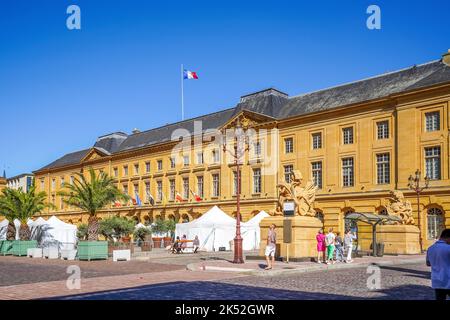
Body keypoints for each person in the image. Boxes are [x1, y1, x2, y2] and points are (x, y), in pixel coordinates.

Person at [426, 228, 450, 300]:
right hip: (448, 279)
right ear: (448, 238)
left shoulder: (430, 248)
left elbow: (428, 263)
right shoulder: (449, 248)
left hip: (437, 281)